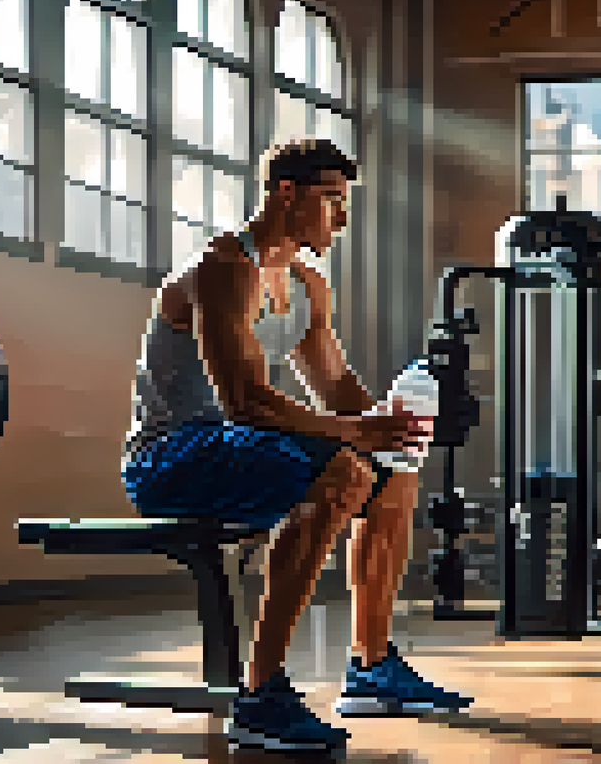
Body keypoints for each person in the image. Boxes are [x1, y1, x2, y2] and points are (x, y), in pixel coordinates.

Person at [120, 138, 473, 753]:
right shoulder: (224, 267)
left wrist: (392, 427)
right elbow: (245, 402)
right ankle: (261, 697)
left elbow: (334, 386)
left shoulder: (306, 284)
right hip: (170, 456)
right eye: (332, 200)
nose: (342, 218)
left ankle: (371, 667)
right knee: (345, 471)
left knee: (393, 473)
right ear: (287, 193)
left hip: (237, 444)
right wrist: (357, 436)